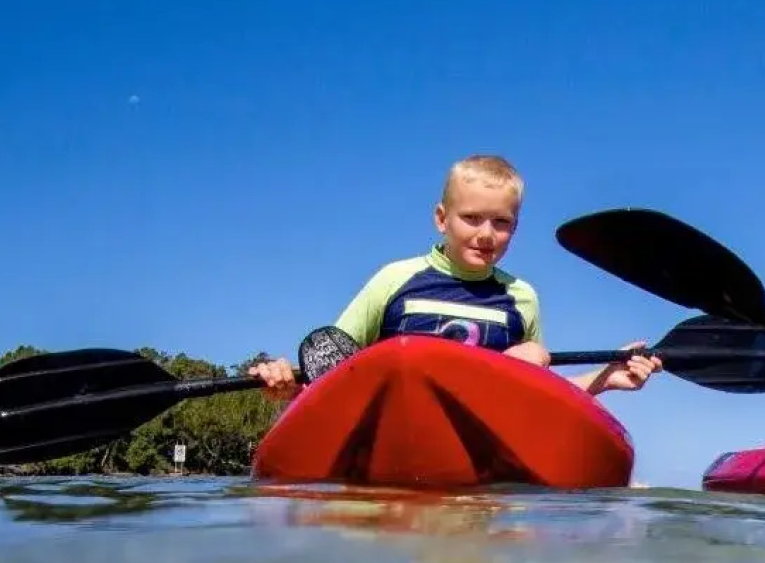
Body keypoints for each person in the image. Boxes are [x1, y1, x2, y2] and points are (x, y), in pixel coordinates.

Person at [249, 153, 662, 398]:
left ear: (516, 226)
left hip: (477, 460)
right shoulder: (395, 279)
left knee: (533, 358)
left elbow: (535, 402)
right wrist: (286, 385)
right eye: (471, 218)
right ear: (441, 218)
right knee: (529, 358)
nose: (486, 234)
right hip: (391, 433)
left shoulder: (521, 298)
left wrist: (605, 379)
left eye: (502, 222)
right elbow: (331, 368)